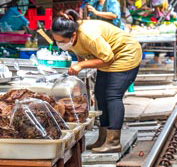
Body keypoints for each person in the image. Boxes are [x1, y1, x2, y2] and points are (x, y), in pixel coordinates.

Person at [52, 10, 142, 154]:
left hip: (125, 54)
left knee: (112, 96)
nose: (59, 44)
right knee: (100, 94)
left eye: (62, 41)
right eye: (57, 41)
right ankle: (104, 137)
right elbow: (80, 51)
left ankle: (113, 142)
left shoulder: (88, 35)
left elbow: (107, 58)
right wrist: (79, 68)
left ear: (73, 35)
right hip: (107, 57)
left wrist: (81, 65)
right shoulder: (70, 35)